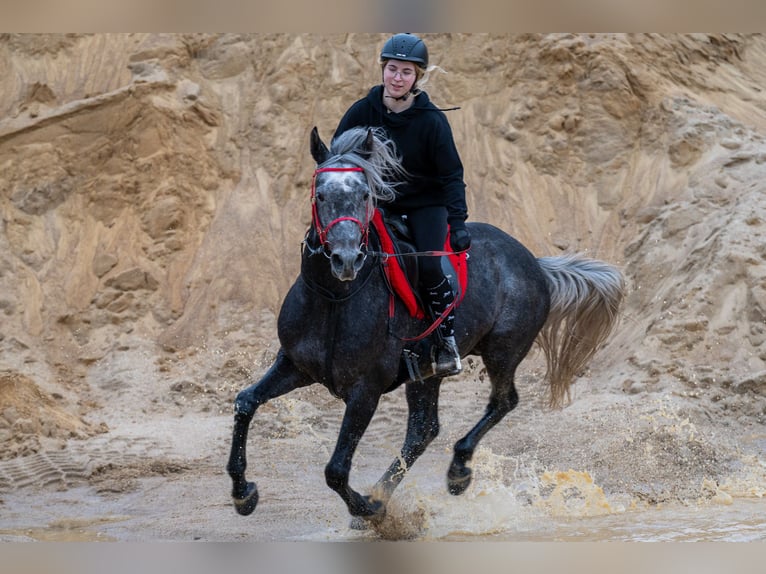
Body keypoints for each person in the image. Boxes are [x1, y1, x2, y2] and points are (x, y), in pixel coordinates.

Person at [334, 33, 471, 378]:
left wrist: (458, 223)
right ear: (383, 70)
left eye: (406, 72)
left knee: (425, 267)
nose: (397, 77)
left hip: (427, 204)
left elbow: (452, 175)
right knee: (347, 252)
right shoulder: (362, 111)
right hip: (379, 204)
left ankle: (445, 342)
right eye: (392, 69)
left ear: (417, 78)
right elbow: (337, 161)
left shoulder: (431, 121)